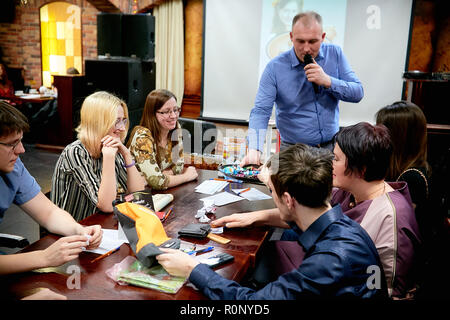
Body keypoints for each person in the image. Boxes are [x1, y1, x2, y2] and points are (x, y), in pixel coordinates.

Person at [213, 122, 421, 299]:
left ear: (361, 169)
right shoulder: (348, 191)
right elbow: (310, 215)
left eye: (336, 159)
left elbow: (393, 292)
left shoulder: (393, 216)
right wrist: (256, 217)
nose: (329, 164)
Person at [156, 144, 387, 299]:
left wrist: (192, 268)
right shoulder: (346, 229)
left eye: (272, 192)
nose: (272, 199)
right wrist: (257, 217)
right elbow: (299, 220)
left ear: (288, 199)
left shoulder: (328, 262)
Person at [0, 101, 102, 299]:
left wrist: (78, 230)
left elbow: (48, 212)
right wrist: (44, 257)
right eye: (12, 143)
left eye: (20, 141)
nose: (21, 150)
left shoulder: (14, 167)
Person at [242, 11, 363, 166]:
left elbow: (358, 92)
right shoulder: (274, 68)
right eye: (300, 41)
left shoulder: (335, 54)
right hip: (293, 152)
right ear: (291, 37)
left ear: (323, 36)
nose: (306, 49)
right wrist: (254, 149)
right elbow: (260, 111)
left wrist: (328, 81)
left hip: (331, 149)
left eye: (313, 41)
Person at [50, 91, 147, 221]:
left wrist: (127, 155)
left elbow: (139, 194)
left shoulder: (112, 145)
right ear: (98, 122)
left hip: (100, 225)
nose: (123, 128)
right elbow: (106, 205)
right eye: (116, 121)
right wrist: (108, 158)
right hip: (73, 231)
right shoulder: (76, 152)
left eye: (123, 120)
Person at [127, 89, 198, 190]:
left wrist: (156, 177)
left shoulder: (175, 128)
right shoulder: (142, 137)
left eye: (175, 110)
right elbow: (158, 182)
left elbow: (179, 166)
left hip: (153, 191)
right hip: (131, 195)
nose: (173, 116)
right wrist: (187, 177)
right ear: (152, 114)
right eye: (166, 112)